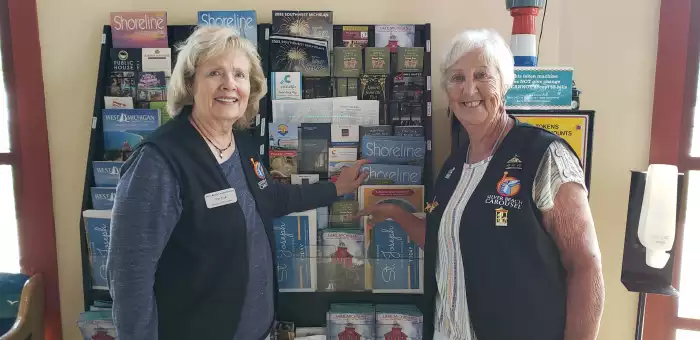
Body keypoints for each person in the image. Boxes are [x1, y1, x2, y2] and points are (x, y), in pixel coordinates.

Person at [106, 26, 368, 340]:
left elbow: (269, 198)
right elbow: (129, 277)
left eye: (240, 75)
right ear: (190, 83)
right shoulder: (157, 162)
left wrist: (336, 188)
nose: (229, 84)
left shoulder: (241, 143)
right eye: (215, 72)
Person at [358, 29, 605, 340]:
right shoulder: (453, 166)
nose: (469, 89)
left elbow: (585, 267)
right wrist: (395, 212)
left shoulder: (544, 155)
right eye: (457, 78)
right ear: (447, 91)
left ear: (504, 83)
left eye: (482, 75)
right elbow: (446, 239)